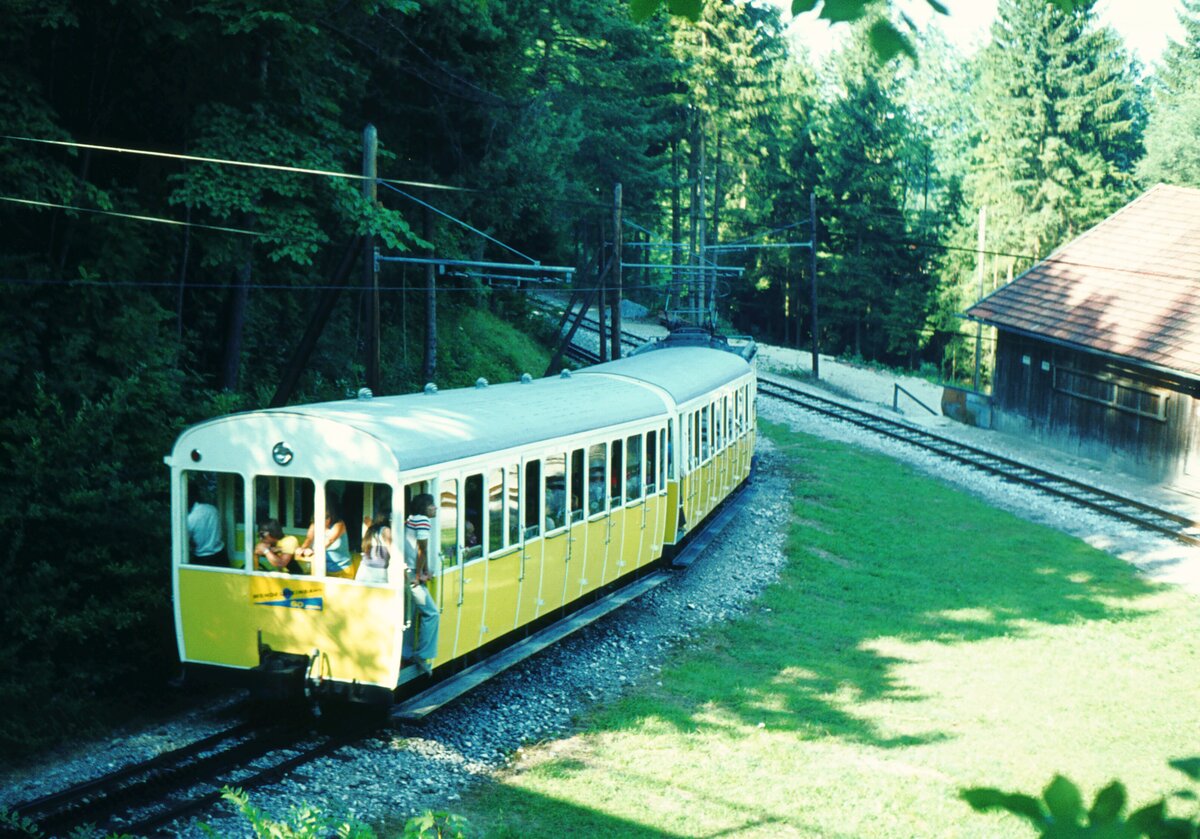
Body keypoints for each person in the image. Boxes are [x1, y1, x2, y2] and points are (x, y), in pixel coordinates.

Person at [403, 493, 441, 672]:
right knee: (432, 613)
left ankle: (406, 653)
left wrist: (424, 570)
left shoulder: (411, 519)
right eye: (432, 505)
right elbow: (421, 549)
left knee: (408, 616)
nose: (435, 508)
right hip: (411, 574)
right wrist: (419, 574)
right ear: (424, 508)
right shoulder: (423, 521)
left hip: (405, 571)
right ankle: (422, 654)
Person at [298, 498, 351, 575]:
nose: (324, 520)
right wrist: (302, 549)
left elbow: (330, 540)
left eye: (327, 517)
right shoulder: (314, 525)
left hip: (342, 569)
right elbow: (309, 539)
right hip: (323, 569)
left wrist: (313, 551)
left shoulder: (339, 525)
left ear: (331, 516)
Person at [187, 491, 226, 567]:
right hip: (221, 555)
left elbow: (186, 542)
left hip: (202, 560)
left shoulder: (190, 519)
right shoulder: (212, 509)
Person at [356, 513, 392, 584]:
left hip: (363, 570)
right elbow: (392, 552)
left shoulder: (370, 530)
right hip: (378, 572)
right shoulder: (386, 530)